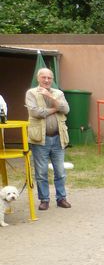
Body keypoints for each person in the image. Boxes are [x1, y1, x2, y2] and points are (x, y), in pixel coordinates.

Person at [25, 68, 71, 211]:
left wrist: (50, 97)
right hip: (40, 139)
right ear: (38, 78)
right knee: (41, 172)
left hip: (58, 138)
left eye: (49, 78)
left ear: (52, 79)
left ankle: (61, 198)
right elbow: (35, 112)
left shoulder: (58, 93)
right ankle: (44, 200)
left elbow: (66, 109)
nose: (46, 80)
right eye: (43, 77)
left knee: (60, 172)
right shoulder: (31, 93)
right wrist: (55, 109)